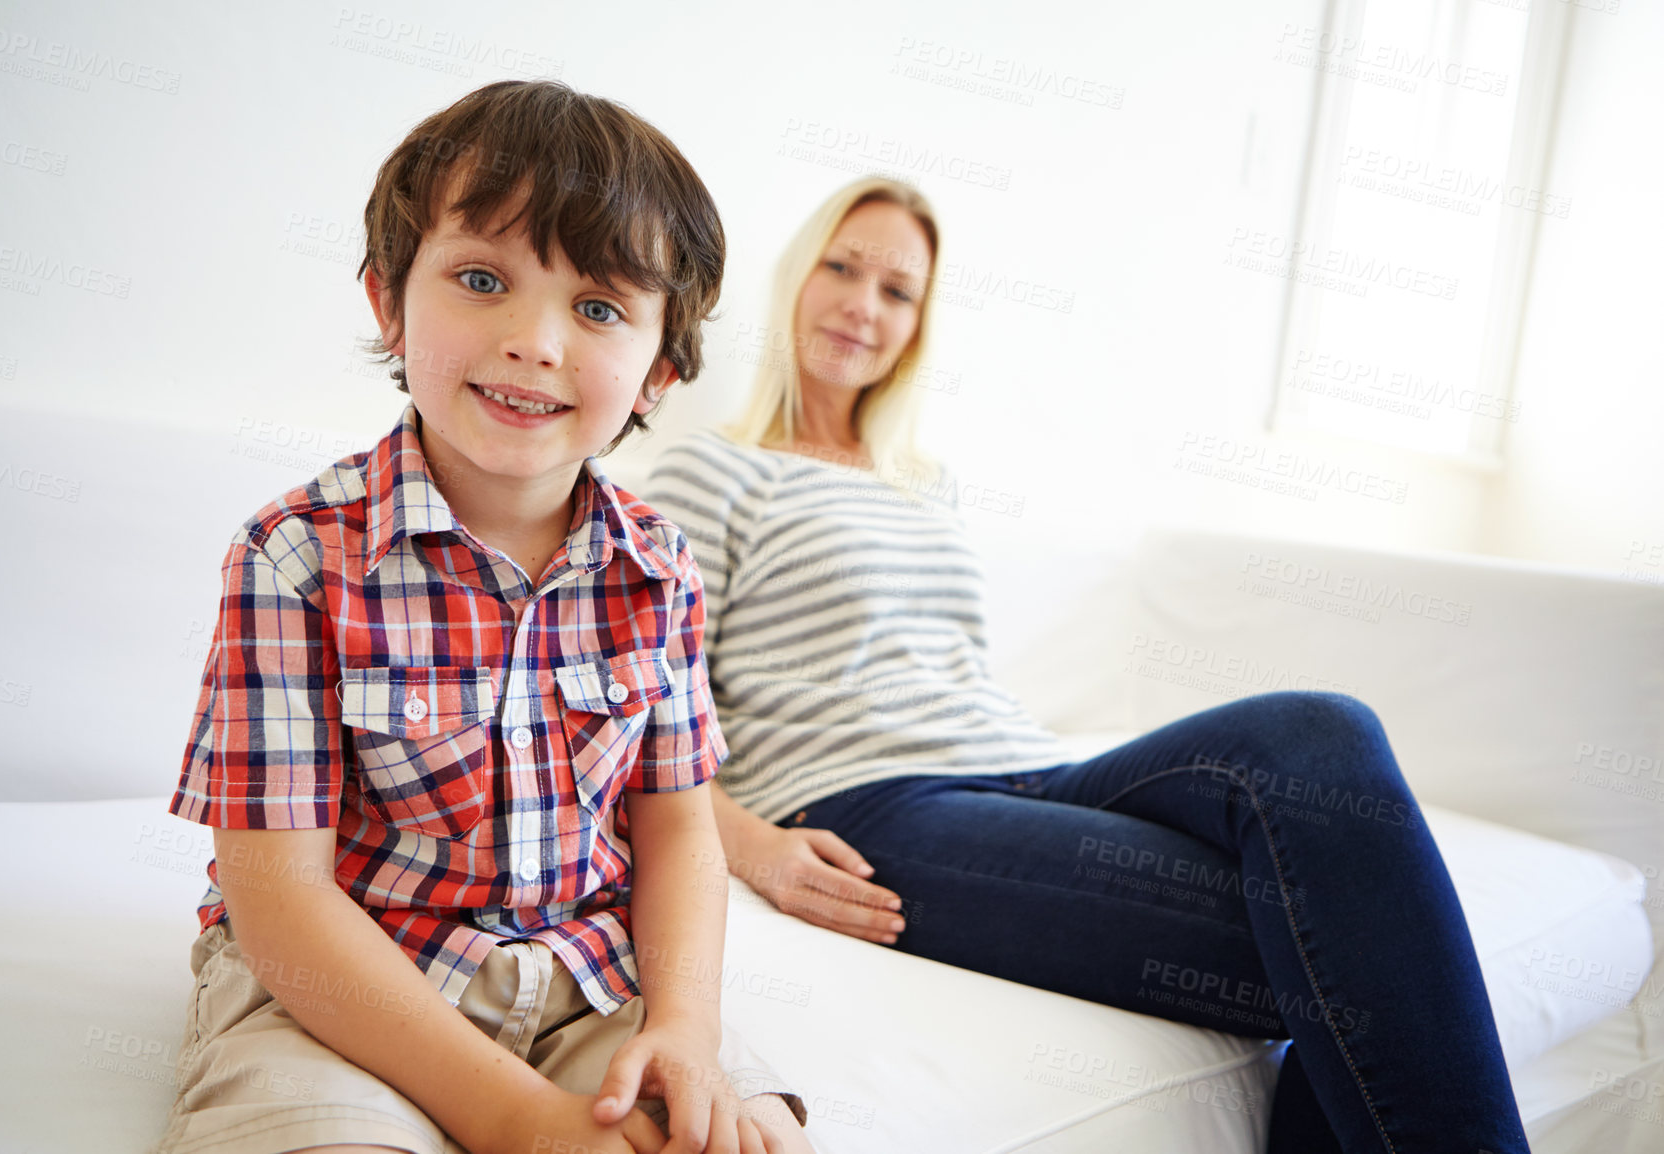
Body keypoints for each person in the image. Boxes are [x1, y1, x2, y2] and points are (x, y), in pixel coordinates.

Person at [644, 176, 1532, 1154]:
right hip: (872, 799)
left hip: (1026, 766)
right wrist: (754, 844)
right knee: (1353, 933)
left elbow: (952, 667)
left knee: (1319, 735)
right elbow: (649, 718)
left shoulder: (923, 482)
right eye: (842, 268)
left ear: (917, 323)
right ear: (796, 278)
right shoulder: (715, 471)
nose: (863, 303)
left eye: (897, 290)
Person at [160, 80, 811, 1154]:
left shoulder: (658, 566)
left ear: (658, 371)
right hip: (342, 983)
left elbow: (680, 826)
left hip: (588, 977)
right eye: (480, 279)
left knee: (740, 1135)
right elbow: (277, 894)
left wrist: (684, 1024)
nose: (534, 340)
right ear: (387, 300)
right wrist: (519, 1119)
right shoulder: (295, 556)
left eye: (597, 308)